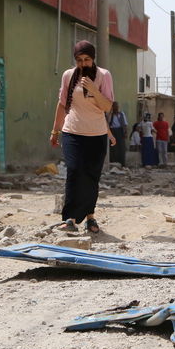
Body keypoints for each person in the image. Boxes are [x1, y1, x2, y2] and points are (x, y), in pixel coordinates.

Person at [50, 40, 113, 234]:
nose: (83, 63)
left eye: (86, 59)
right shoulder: (68, 76)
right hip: (73, 132)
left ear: (93, 59)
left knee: (91, 176)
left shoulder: (104, 75)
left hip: (97, 134)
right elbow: (62, 104)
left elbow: (107, 106)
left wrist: (94, 90)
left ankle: (90, 218)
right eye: (79, 60)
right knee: (75, 171)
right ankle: (69, 219)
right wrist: (55, 130)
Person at [107, 101, 128, 166]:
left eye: (117, 106)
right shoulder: (110, 114)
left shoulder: (121, 114)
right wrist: (110, 113)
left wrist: (125, 132)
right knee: (113, 147)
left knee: (121, 147)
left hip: (120, 130)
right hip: (112, 131)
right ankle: (113, 162)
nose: (116, 107)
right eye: (114, 106)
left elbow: (125, 124)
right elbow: (108, 122)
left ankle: (122, 163)